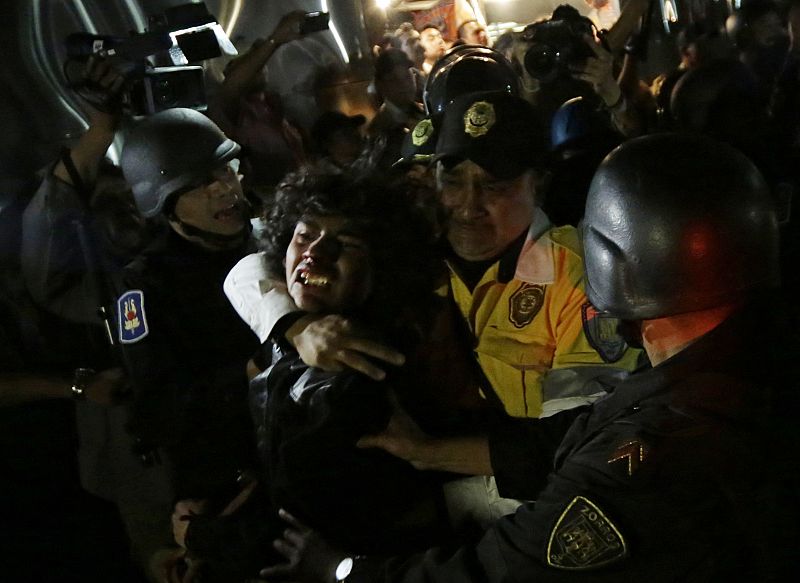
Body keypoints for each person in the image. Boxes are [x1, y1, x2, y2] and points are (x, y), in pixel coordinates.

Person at [258, 132, 800, 583]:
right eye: (456, 181)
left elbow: (503, 570)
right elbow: (569, 436)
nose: (470, 204)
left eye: (494, 185)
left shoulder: (650, 458)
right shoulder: (741, 354)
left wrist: (340, 570)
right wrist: (430, 451)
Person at [172, 168, 457, 581]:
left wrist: (194, 536)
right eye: (304, 237)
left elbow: (294, 534)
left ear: (384, 267)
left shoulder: (361, 373)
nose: (315, 254)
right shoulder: (294, 342)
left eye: (347, 245)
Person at [22, 96, 260, 576]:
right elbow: (162, 403)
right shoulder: (145, 287)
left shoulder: (275, 239)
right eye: (200, 184)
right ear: (163, 203)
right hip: (224, 481)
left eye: (227, 170)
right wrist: (249, 374)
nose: (224, 189)